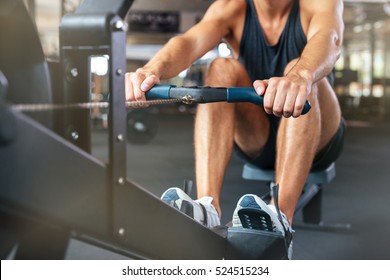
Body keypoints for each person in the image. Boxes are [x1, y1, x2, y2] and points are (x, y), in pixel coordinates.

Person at [125, 0, 345, 259]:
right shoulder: (233, 7)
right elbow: (188, 42)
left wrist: (301, 76)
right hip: (258, 134)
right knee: (221, 67)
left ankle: (279, 219)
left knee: (299, 70)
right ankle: (208, 207)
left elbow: (329, 37)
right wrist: (151, 70)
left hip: (318, 132)